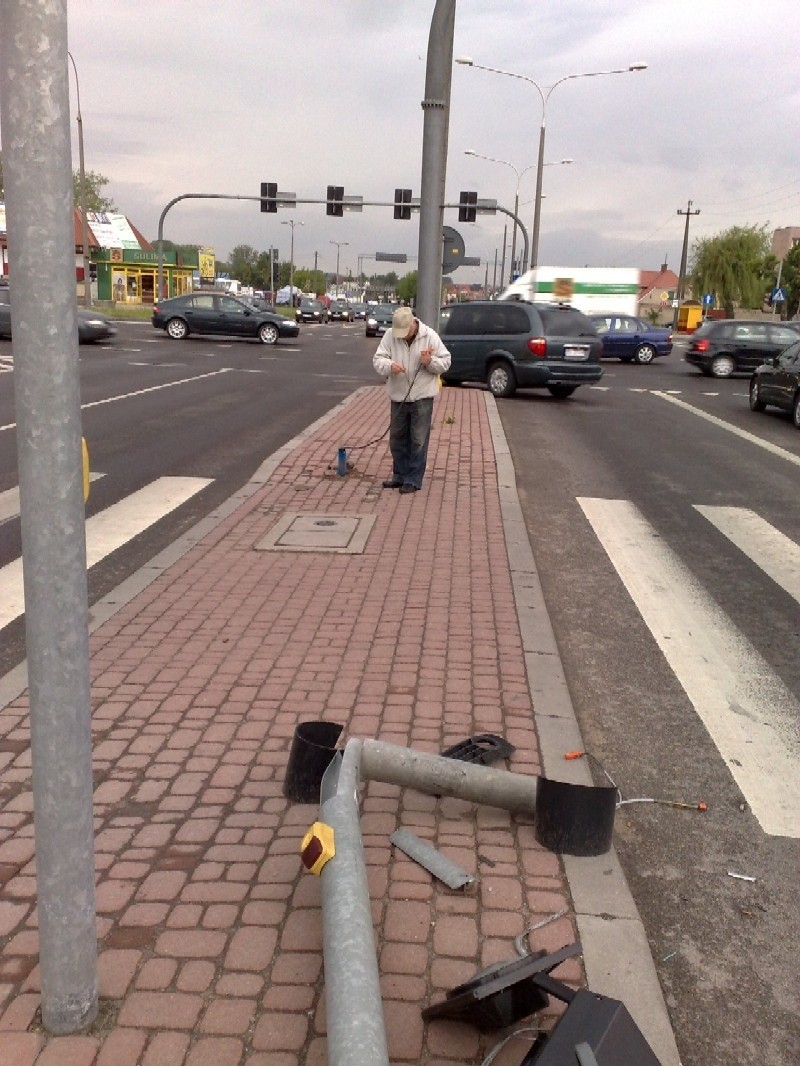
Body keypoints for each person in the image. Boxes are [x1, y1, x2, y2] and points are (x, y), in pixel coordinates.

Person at [373, 306, 451, 494]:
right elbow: (378, 359)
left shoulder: (430, 336)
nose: (402, 337)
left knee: (418, 439)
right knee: (397, 438)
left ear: (413, 325)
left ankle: (414, 479)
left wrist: (430, 362)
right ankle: (399, 475)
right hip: (398, 394)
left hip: (422, 395)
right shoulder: (390, 335)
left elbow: (446, 362)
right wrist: (390, 366)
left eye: (405, 333)